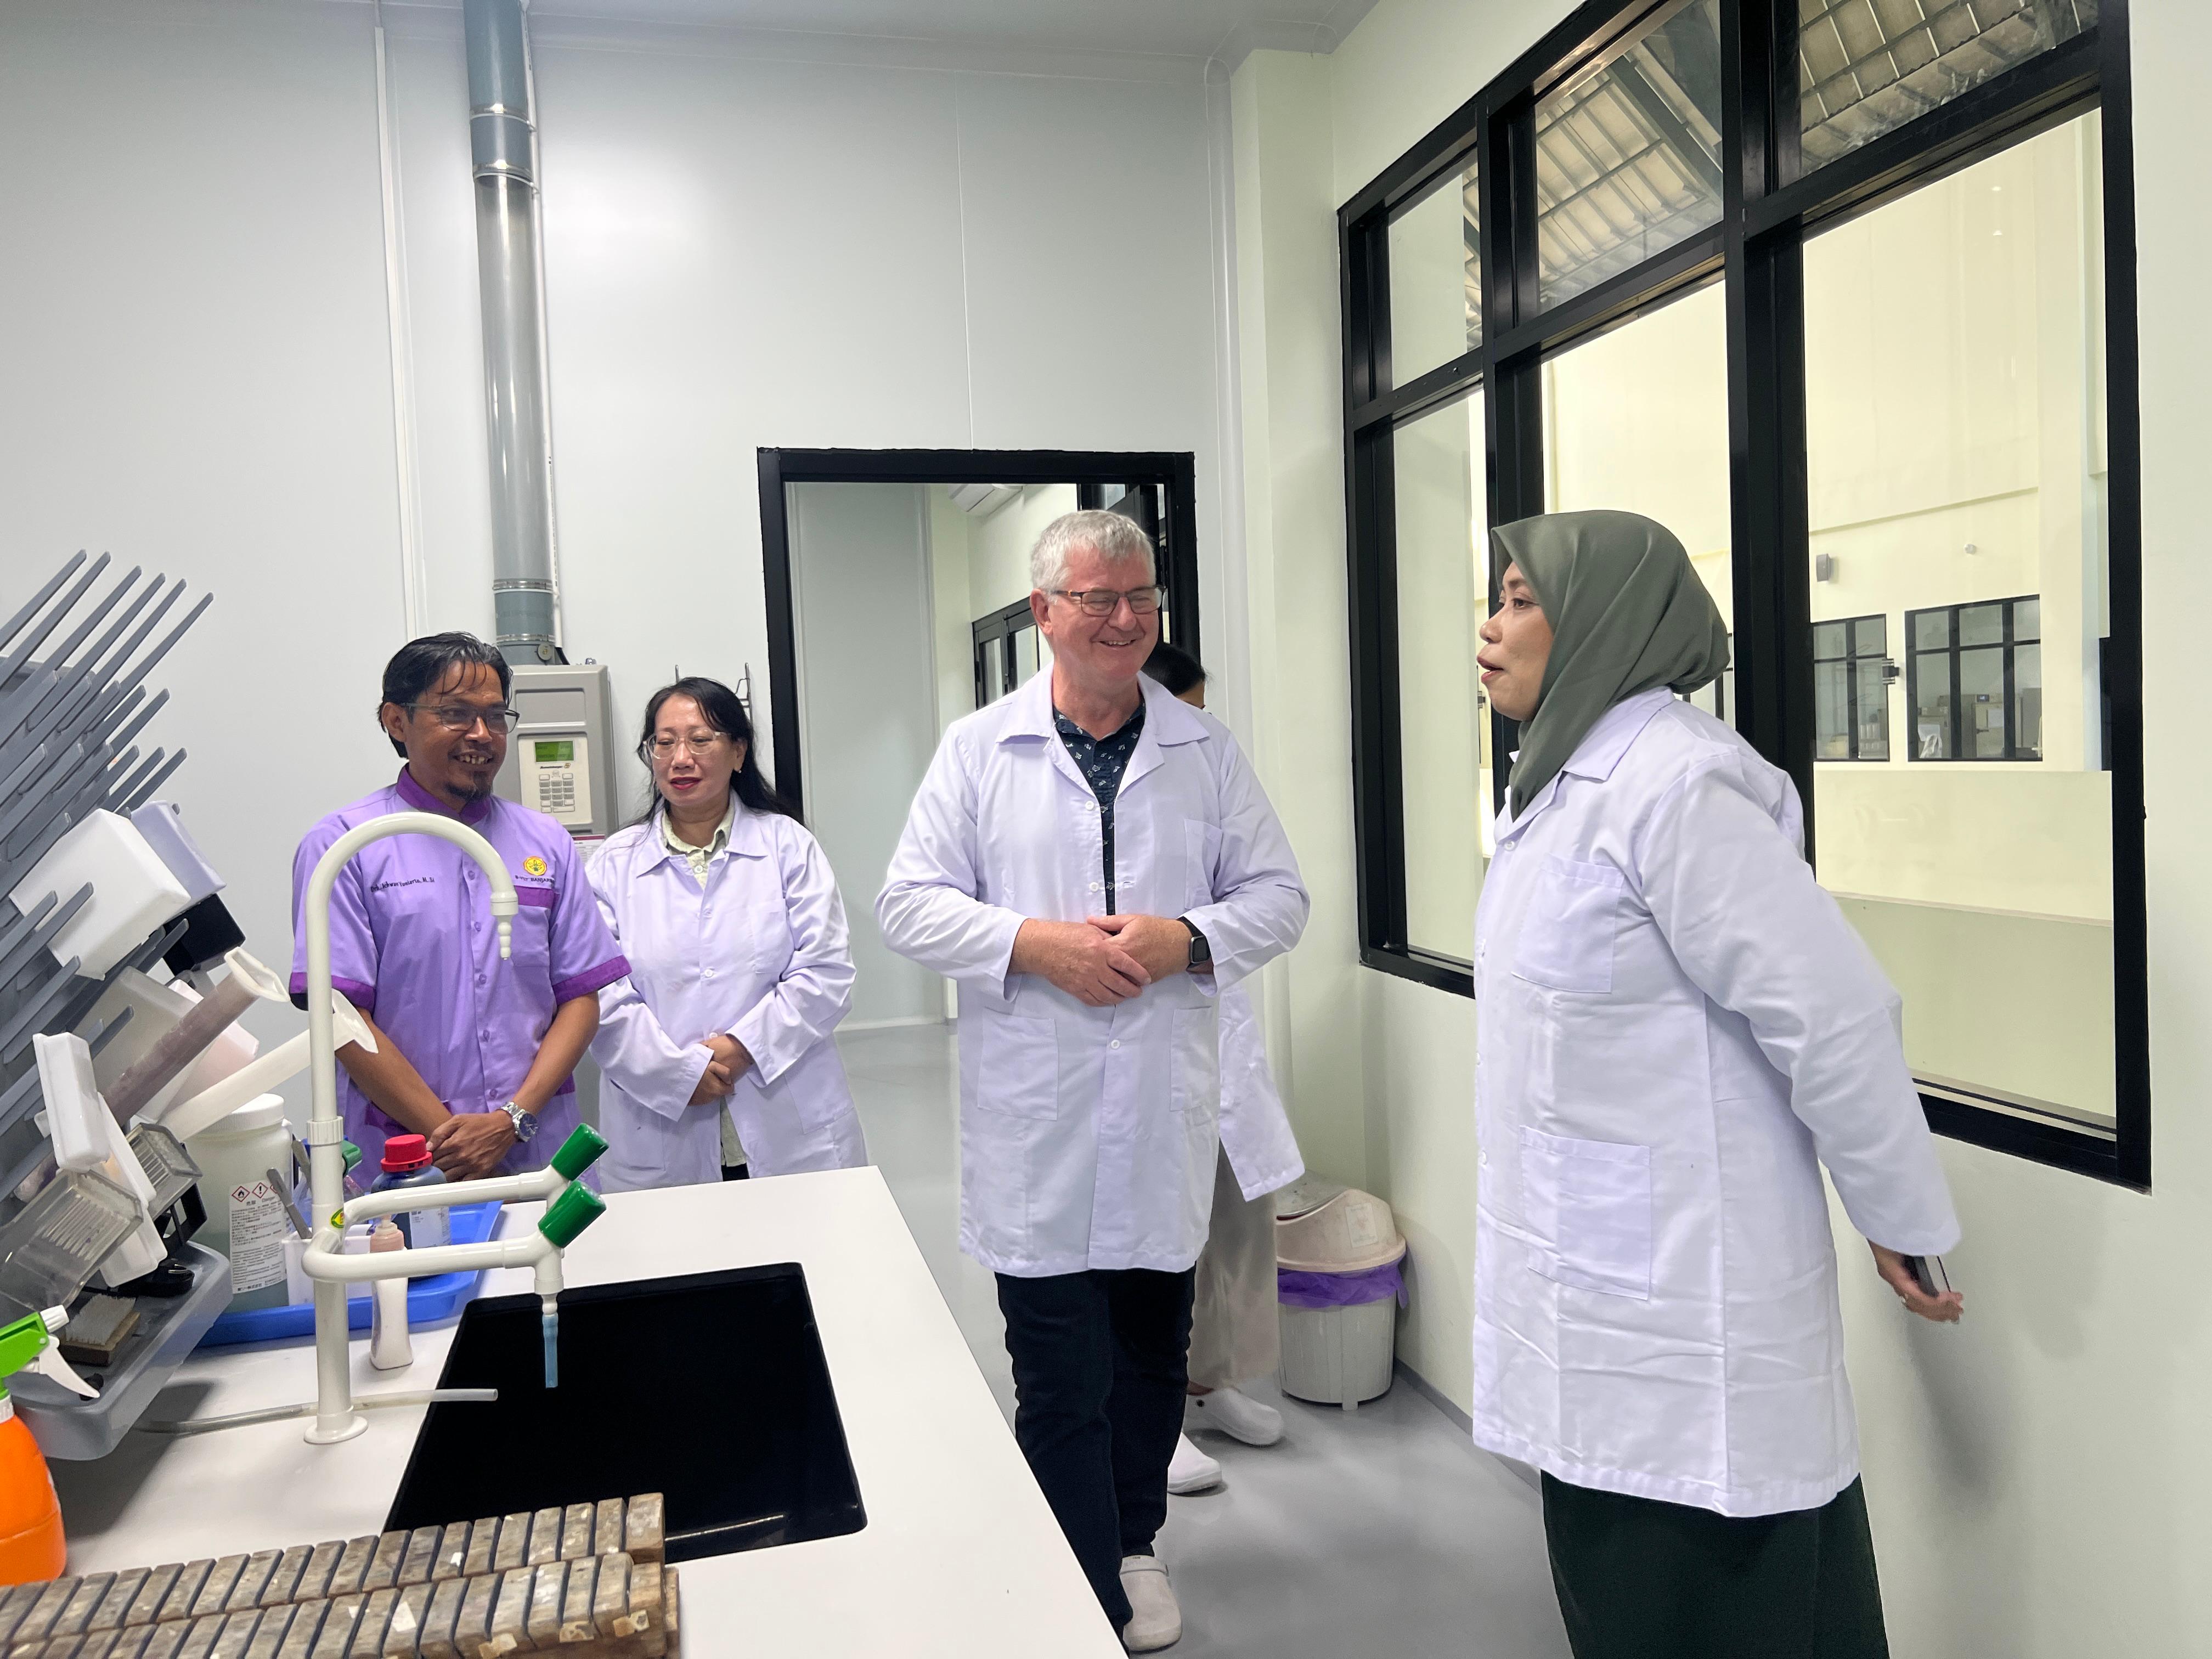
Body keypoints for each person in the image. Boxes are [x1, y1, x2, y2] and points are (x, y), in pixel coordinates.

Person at [1469, 510, 1966, 1659]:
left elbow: (1832, 1013)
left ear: (1604, 620)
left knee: (1718, 1595)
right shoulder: (1555, 788)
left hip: (1687, 1306)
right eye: (1497, 599)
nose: (1490, 627)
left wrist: (1896, 1214)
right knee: (1623, 1578)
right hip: (1594, 1284)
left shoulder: (1677, 787)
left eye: (1520, 599)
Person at [877, 510, 1308, 1653]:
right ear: (1043, 613)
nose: (1124, 618)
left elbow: (1280, 897)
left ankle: (1133, 1541)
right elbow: (907, 901)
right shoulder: (981, 748)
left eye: (1141, 597)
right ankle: (1077, 1570)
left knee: (1151, 1352)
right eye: (1097, 598)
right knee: (1059, 1368)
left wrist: (1186, 938)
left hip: (1161, 1104)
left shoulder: (1204, 749)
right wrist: (1030, 943)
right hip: (1039, 1116)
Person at [289, 633, 629, 1180]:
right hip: (408, 1157)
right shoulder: (344, 846)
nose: (481, 735)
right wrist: (454, 1141)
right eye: (455, 714)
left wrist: (509, 1122)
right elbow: (341, 1016)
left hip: (537, 1148)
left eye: (495, 716)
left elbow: (580, 998)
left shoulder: (545, 842)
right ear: (396, 721)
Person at [585, 676, 867, 1191]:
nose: (680, 759)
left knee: (800, 1239)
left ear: (738, 752)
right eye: (664, 743)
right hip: (660, 1121)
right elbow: (600, 995)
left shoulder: (788, 846)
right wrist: (675, 1073)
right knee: (677, 1244)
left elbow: (825, 972)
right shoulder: (612, 865)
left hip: (787, 1118)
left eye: (700, 740)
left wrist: (742, 1047)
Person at [1139, 641, 1304, 1496]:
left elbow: (1272, 896)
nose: (1200, 726)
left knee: (1233, 1227)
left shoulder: (1211, 778)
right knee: (1156, 1245)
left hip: (1217, 1031)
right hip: (1140, 1047)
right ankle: (1154, 1417)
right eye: (1189, 710)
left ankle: (1212, 1384)